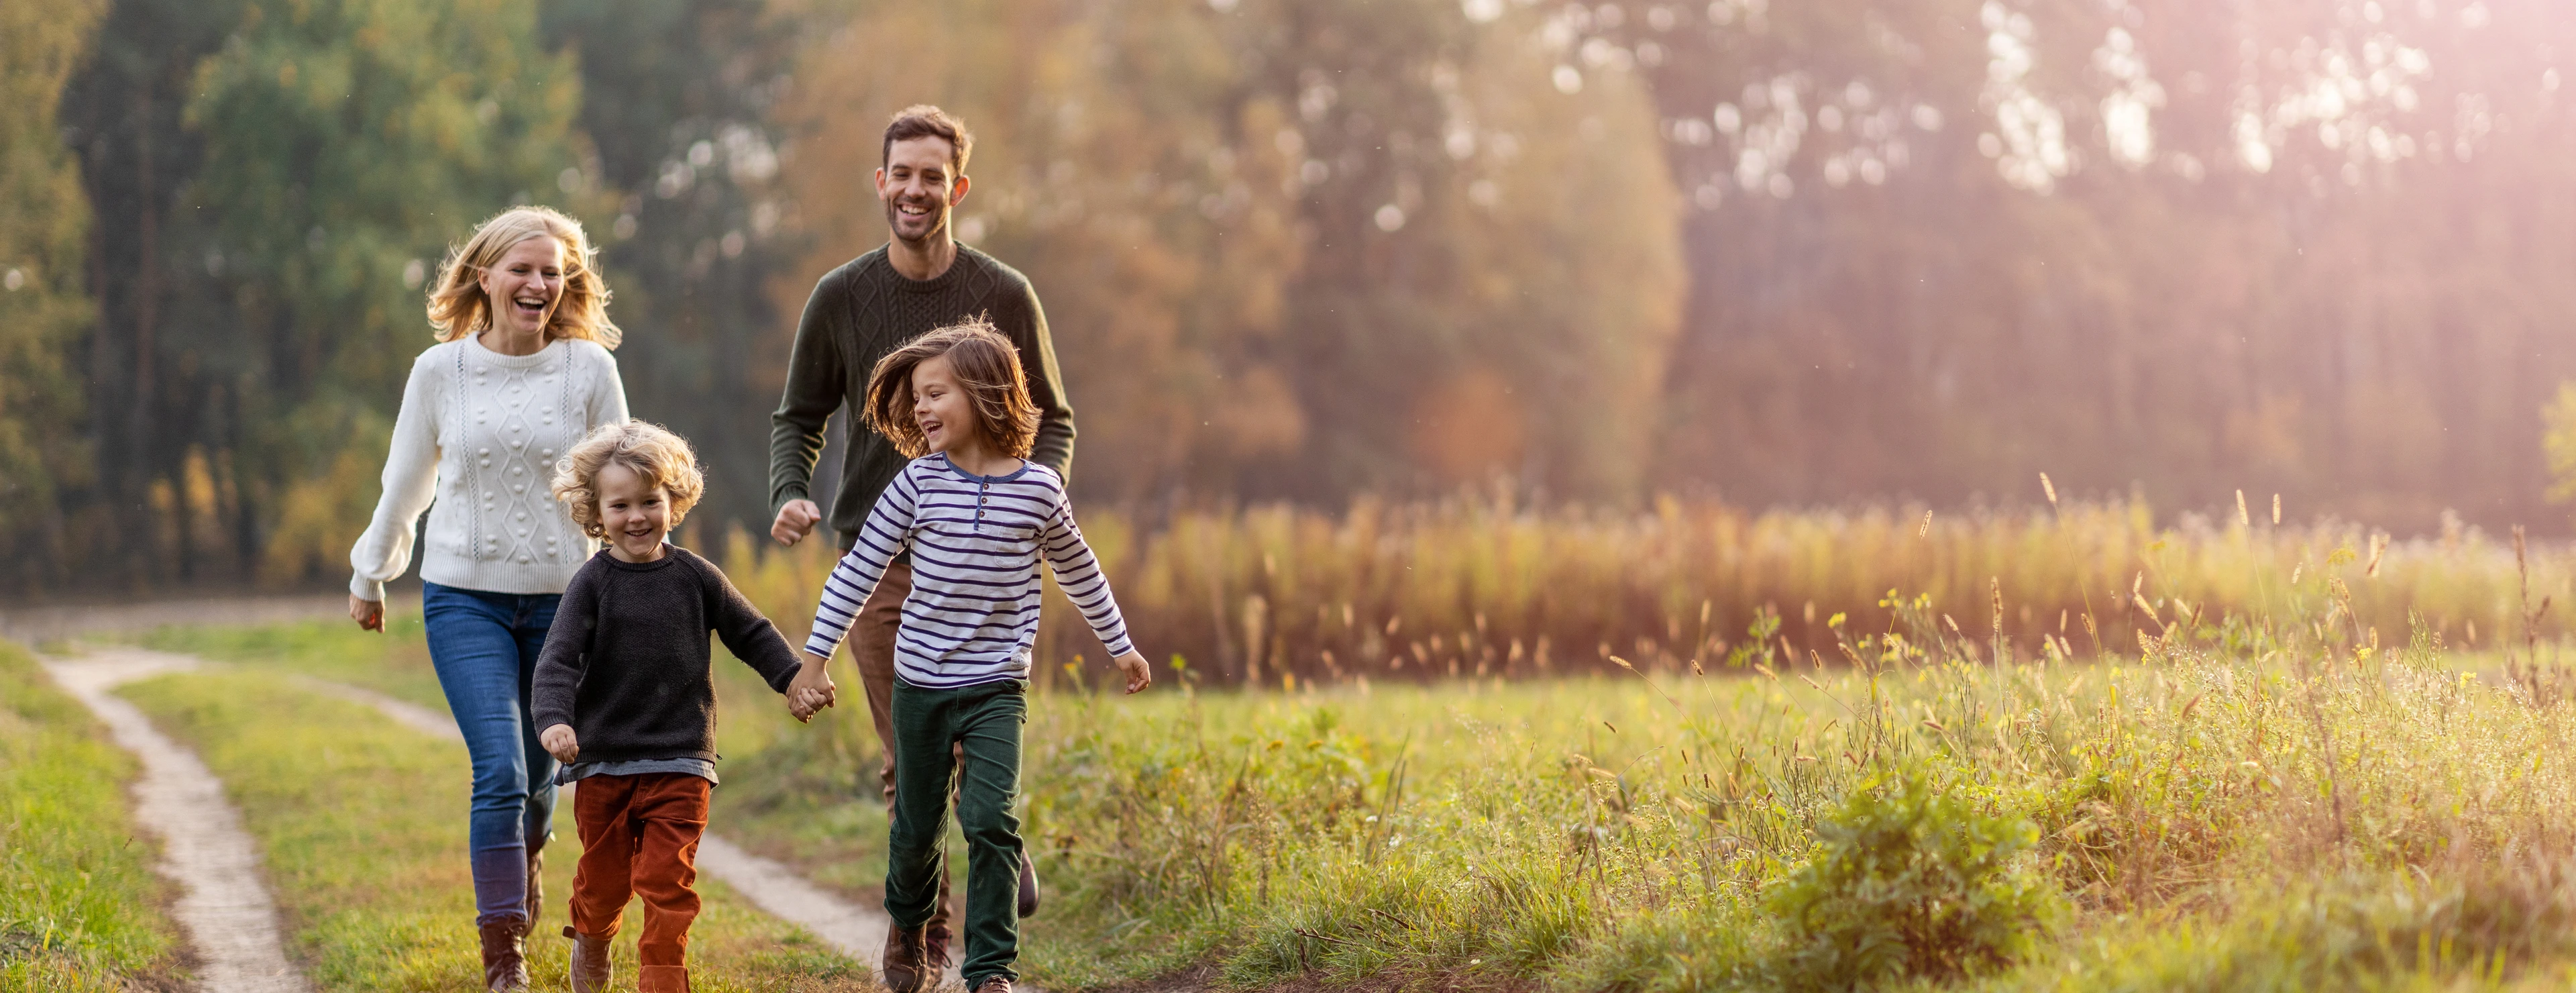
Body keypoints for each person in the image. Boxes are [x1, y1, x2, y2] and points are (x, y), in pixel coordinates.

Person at [767, 104, 1075, 959]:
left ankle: (994, 833)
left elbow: (1053, 419)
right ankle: (922, 940)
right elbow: (798, 416)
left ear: (958, 187)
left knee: (980, 748)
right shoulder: (840, 296)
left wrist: (1034, 508)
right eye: (900, 174)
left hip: (985, 558)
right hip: (881, 560)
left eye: (931, 176)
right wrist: (791, 491)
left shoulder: (1005, 293)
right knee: (912, 757)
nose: (914, 189)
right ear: (881, 182)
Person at [790, 321, 1148, 993]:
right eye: (917, 397)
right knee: (917, 832)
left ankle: (990, 970)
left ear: (985, 393)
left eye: (934, 394)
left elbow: (1080, 570)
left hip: (995, 688)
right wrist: (816, 657)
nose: (920, 409)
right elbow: (859, 570)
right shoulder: (916, 484)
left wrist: (1121, 646)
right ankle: (910, 922)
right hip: (921, 685)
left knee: (991, 820)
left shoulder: (1040, 490)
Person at [345, 206, 629, 992]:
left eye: (552, 272)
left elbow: (623, 485)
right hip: (463, 596)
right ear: (485, 276)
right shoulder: (440, 371)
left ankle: (528, 856)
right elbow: (406, 482)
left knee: (539, 782)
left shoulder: (588, 371)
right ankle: (504, 955)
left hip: (565, 606)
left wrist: (636, 588)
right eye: (522, 269)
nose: (538, 284)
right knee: (499, 769)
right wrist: (373, 573)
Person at [532, 421, 824, 993]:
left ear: (675, 501)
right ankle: (592, 943)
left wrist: (793, 679)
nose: (637, 517)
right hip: (604, 762)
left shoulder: (696, 577)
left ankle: (663, 978)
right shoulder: (591, 584)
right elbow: (558, 661)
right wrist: (555, 720)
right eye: (621, 505)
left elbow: (752, 632)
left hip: (682, 758)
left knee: (668, 880)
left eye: (650, 501)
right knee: (605, 881)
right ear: (597, 512)